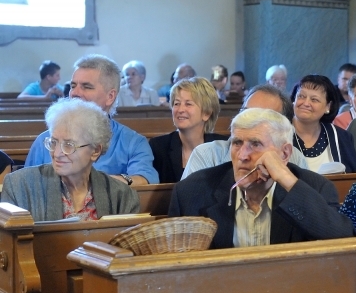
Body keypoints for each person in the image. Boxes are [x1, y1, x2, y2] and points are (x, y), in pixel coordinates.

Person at [169, 108, 353, 249]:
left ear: (284, 153)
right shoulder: (191, 192)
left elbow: (341, 240)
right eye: (237, 143)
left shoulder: (316, 188)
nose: (242, 155)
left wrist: (284, 177)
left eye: (255, 144)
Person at [25, 55, 159, 185]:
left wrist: (89, 183)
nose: (75, 93)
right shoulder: (45, 141)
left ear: (110, 96)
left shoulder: (133, 142)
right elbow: (25, 186)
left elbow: (144, 180)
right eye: (73, 86)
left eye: (86, 87)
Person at [2, 99, 139, 221]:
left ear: (95, 151)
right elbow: (9, 245)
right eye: (53, 142)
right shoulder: (18, 186)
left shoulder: (122, 196)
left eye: (69, 145)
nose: (57, 153)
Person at [182, 84, 307, 179]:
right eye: (246, 113)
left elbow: (308, 207)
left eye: (261, 117)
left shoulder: (295, 158)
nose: (248, 122)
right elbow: (189, 203)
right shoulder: (206, 155)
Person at [148, 77, 226, 183]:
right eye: (176, 103)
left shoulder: (222, 147)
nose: (180, 110)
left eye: (188, 104)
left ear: (206, 113)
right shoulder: (158, 147)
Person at [291, 74, 356, 173]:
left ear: (328, 106)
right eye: (301, 96)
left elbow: (354, 179)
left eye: (314, 99)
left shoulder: (342, 137)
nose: (306, 103)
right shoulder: (278, 133)